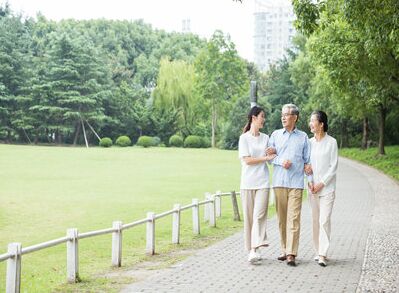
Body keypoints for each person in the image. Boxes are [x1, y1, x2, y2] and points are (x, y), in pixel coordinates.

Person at [267, 103, 311, 266]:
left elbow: (308, 159)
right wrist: (280, 161)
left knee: (293, 218)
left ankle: (292, 253)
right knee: (282, 219)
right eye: (282, 115)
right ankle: (284, 249)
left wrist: (308, 166)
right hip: (279, 182)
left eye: (286, 115)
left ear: (295, 117)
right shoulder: (275, 135)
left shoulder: (303, 137)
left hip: (296, 183)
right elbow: (269, 157)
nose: (283, 117)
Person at [238, 106, 276, 264]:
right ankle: (252, 249)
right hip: (247, 183)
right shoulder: (244, 138)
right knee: (249, 219)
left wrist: (272, 153)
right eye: (262, 116)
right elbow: (247, 160)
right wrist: (265, 158)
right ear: (254, 118)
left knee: (259, 216)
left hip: (263, 183)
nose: (264, 119)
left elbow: (272, 158)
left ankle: (254, 248)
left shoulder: (266, 137)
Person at [307, 110, 338, 267]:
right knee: (315, 221)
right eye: (310, 121)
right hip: (312, 189)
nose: (310, 124)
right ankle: (317, 250)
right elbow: (307, 166)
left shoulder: (332, 142)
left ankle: (323, 254)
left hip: (327, 189)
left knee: (324, 220)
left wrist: (322, 183)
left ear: (322, 124)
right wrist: (311, 182)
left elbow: (333, 167)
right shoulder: (309, 143)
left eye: (313, 121)